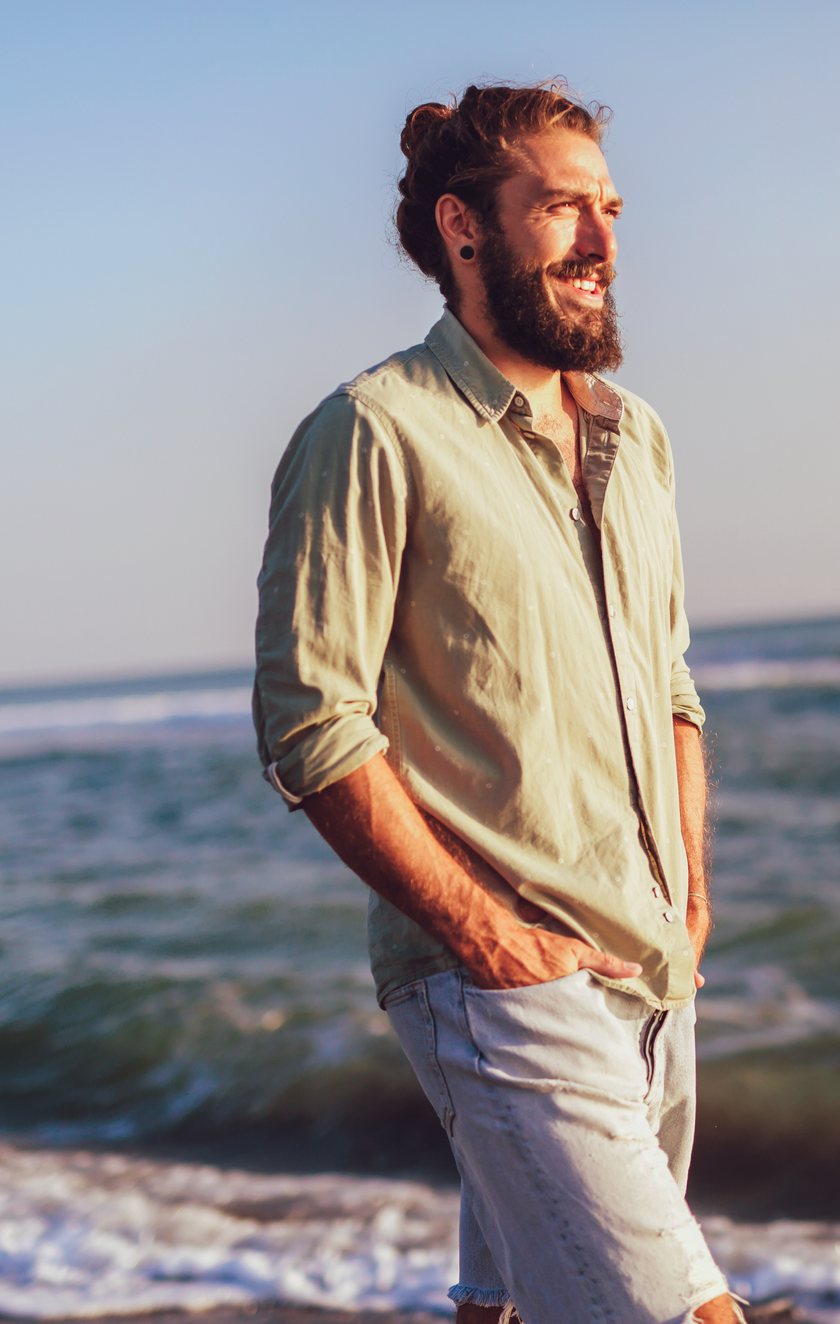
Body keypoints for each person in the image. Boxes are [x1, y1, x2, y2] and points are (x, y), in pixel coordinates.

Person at [252, 81, 740, 1324]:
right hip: (504, 989)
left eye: (611, 207)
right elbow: (310, 722)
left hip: (645, 971)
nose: (603, 240)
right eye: (563, 207)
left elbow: (670, 685)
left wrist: (687, 897)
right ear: (465, 229)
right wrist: (486, 939)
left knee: (510, 1310)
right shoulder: (374, 431)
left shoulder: (637, 438)